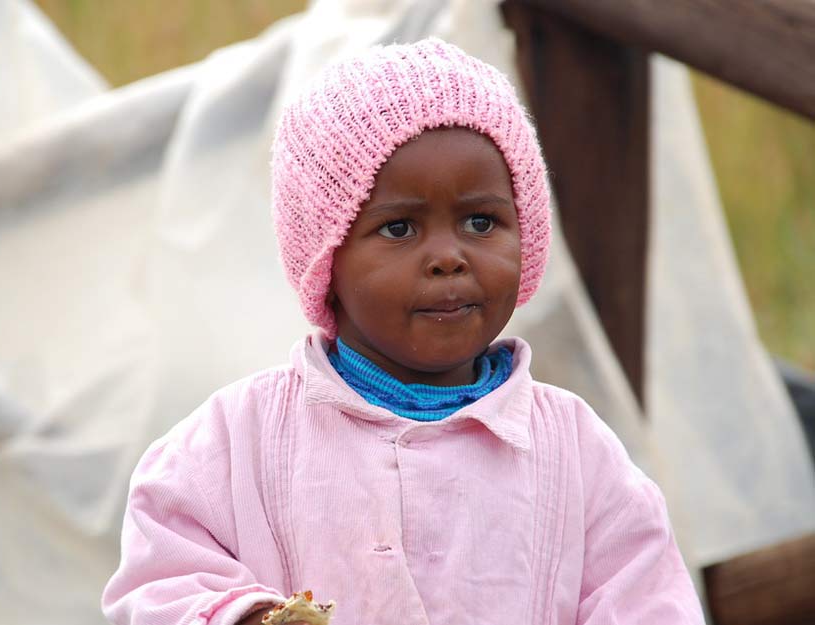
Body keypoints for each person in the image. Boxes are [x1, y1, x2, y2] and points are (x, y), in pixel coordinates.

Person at [102, 38, 705, 625]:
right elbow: (158, 582)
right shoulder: (235, 442)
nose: (448, 257)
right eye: (399, 229)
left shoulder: (578, 455)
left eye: (480, 220)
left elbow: (647, 599)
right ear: (326, 259)